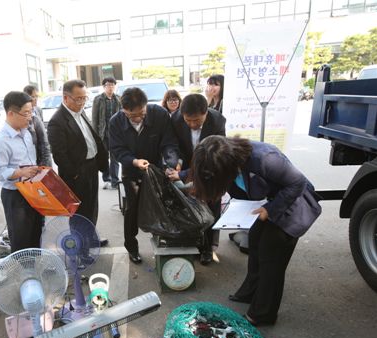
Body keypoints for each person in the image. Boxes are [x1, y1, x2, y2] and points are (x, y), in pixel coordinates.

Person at [189, 136, 322, 325]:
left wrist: (271, 209)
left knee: (272, 257)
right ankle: (250, 293)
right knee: (256, 244)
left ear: (226, 166)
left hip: (292, 203)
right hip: (264, 203)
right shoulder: (223, 160)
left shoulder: (265, 158)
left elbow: (297, 183)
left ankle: (263, 313)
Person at [109, 87, 179, 264]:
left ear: (146, 106)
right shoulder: (115, 122)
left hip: (157, 170)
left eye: (141, 113)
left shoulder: (160, 114)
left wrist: (170, 165)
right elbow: (117, 150)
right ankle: (132, 247)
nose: (138, 118)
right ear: (124, 110)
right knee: (132, 210)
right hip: (131, 170)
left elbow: (169, 143)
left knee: (161, 206)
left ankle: (163, 244)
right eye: (132, 116)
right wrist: (134, 161)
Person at [47, 79, 109, 246]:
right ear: (66, 98)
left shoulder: (80, 112)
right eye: (78, 99)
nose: (82, 102)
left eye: (84, 98)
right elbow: (59, 155)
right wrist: (75, 173)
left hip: (91, 167)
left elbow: (90, 139)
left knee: (92, 206)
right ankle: (81, 249)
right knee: (79, 213)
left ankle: (91, 238)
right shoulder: (57, 121)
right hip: (76, 173)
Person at [169, 93, 226, 265]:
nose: (192, 124)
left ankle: (207, 248)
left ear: (206, 113)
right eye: (189, 120)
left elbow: (215, 156)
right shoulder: (176, 119)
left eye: (197, 121)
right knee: (189, 207)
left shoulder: (217, 121)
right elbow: (174, 145)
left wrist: (185, 173)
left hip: (210, 169)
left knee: (211, 208)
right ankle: (192, 243)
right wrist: (176, 162)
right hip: (185, 166)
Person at [0, 91, 43, 253]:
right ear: (11, 113)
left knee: (35, 235)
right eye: (26, 113)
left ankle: (34, 271)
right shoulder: (0, 140)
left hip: (32, 191)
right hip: (15, 196)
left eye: (31, 111)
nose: (30, 117)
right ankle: (22, 275)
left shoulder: (26, 133)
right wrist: (22, 172)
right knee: (20, 240)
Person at [92, 77, 121, 190]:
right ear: (104, 87)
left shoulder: (118, 99)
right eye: (108, 85)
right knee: (104, 157)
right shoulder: (98, 99)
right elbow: (95, 118)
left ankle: (115, 180)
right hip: (102, 133)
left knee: (115, 158)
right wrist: (95, 135)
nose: (111, 87)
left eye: (113, 85)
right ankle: (106, 179)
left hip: (116, 134)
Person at [23, 85, 53, 167]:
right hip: (33, 151)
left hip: (44, 149)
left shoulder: (38, 110)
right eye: (33, 96)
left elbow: (42, 131)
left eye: (36, 96)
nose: (35, 99)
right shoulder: (23, 113)